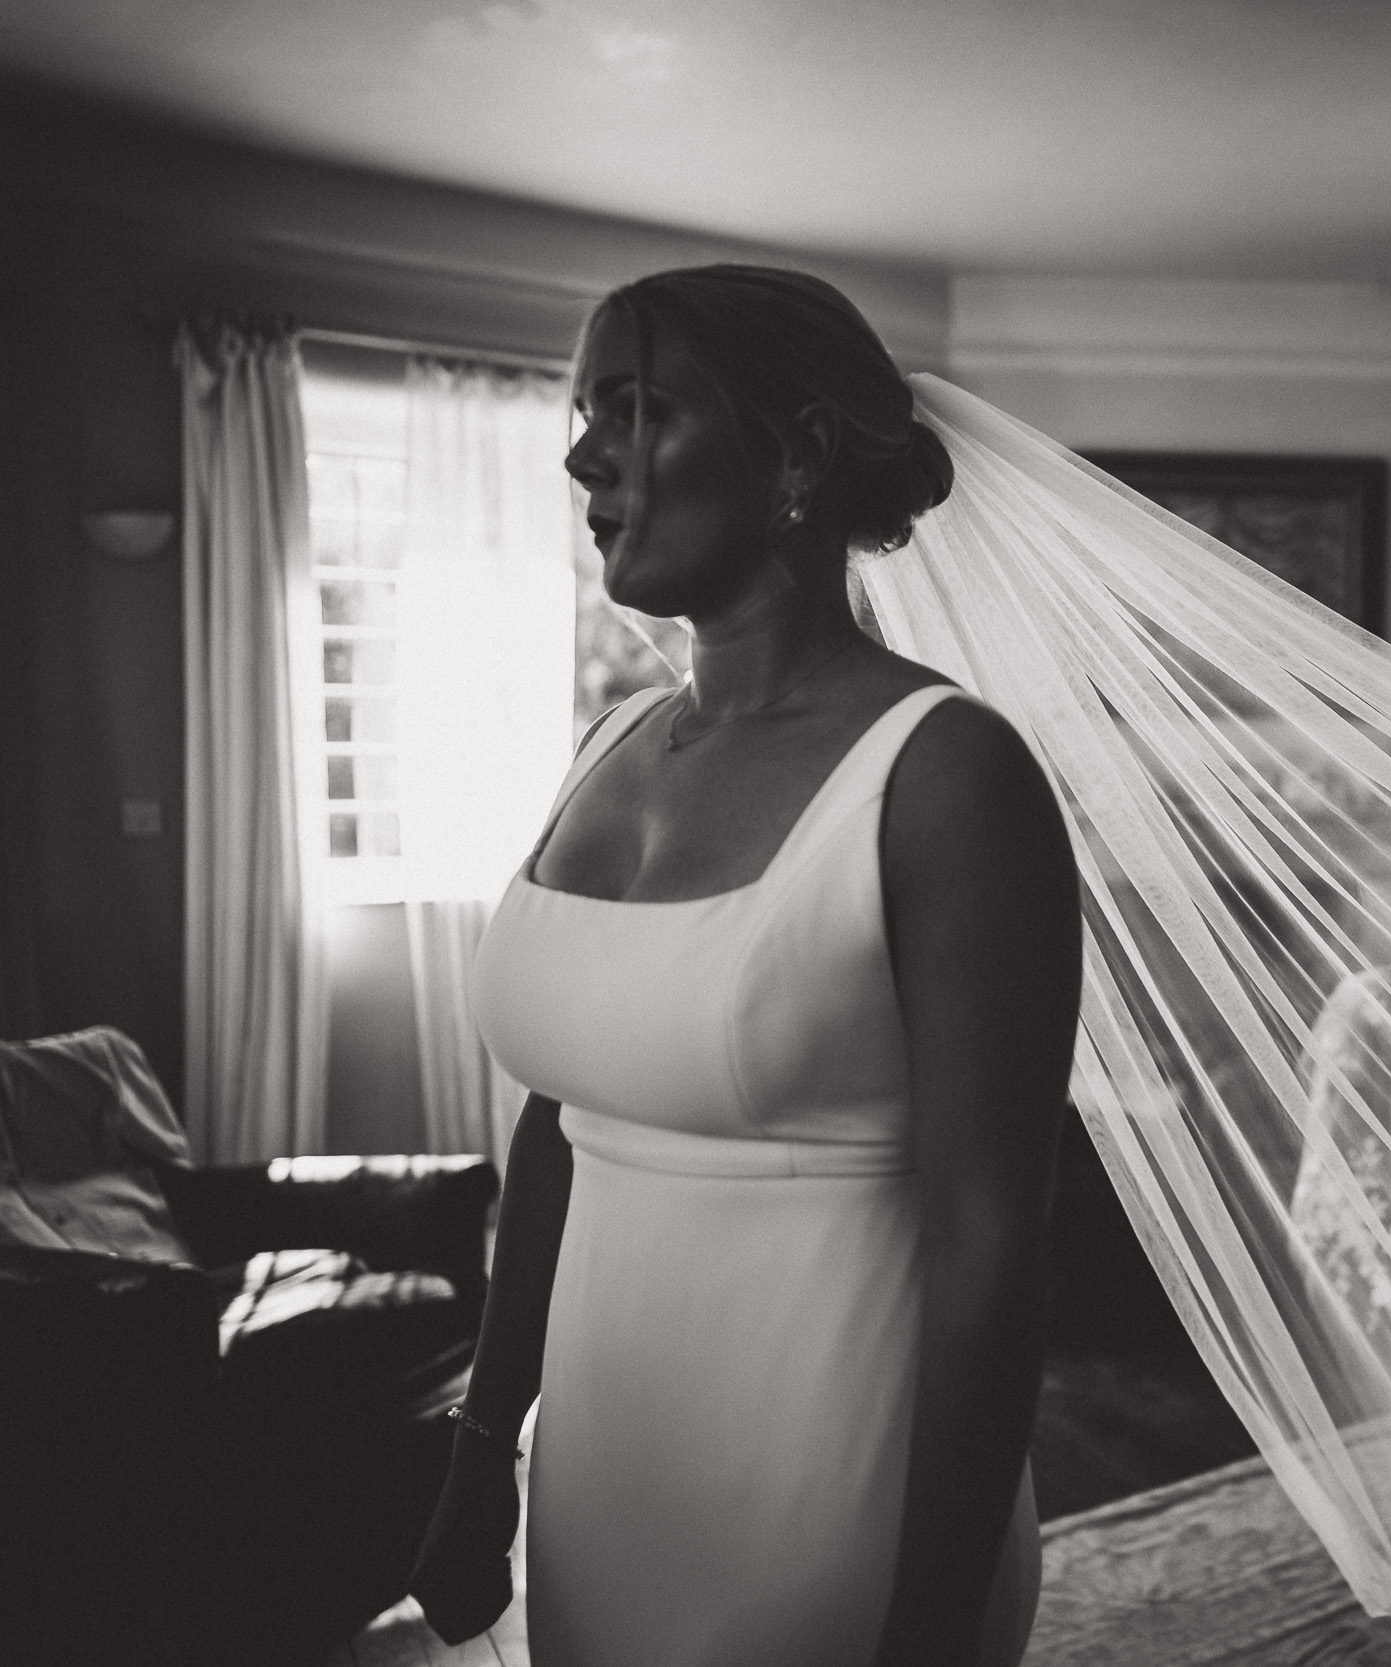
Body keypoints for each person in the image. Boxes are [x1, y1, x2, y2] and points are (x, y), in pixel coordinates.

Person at [406, 266, 1082, 1667]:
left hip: (835, 1486)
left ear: (802, 453)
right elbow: (565, 1119)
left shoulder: (947, 777)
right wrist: (484, 1438)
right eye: (588, 412)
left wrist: (931, 1612)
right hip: (603, 1467)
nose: (586, 452)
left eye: (641, 409)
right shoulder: (606, 746)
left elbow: (992, 1244)